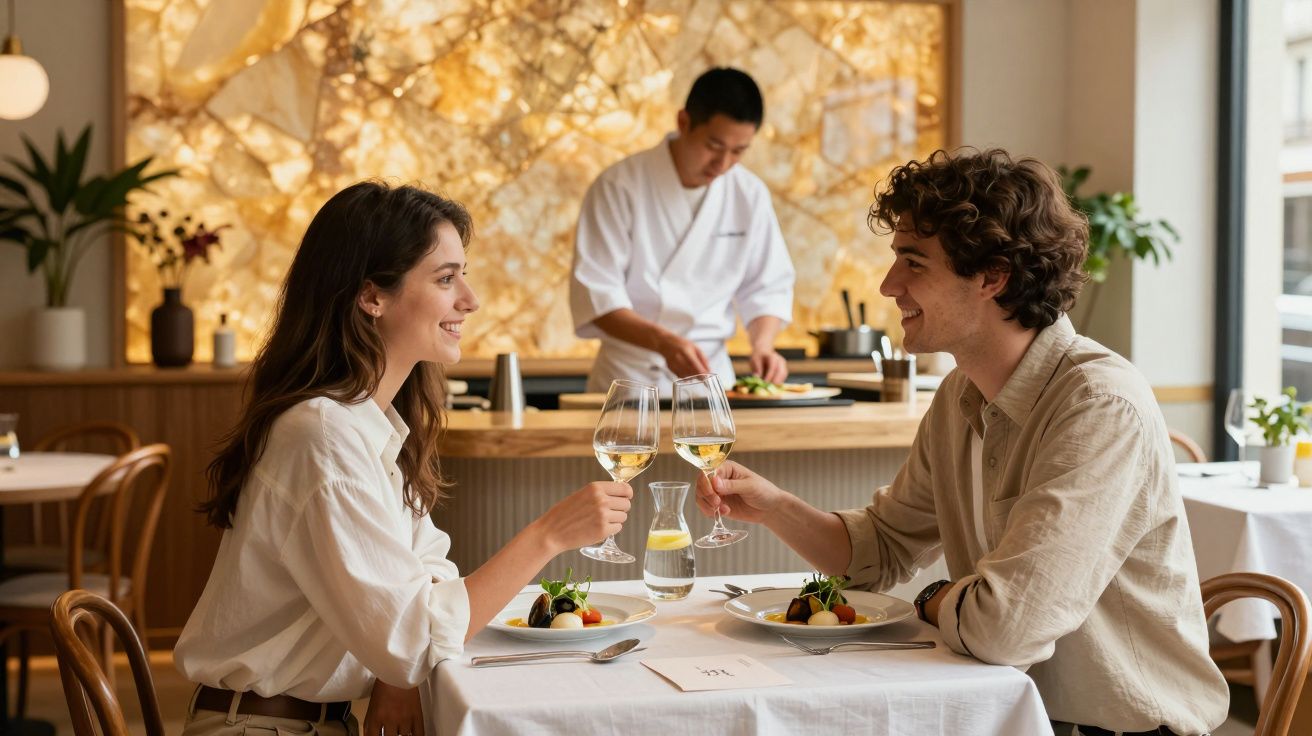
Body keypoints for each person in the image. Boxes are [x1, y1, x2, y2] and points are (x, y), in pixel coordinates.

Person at [694, 149, 1229, 735]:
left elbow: (1007, 628)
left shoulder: (1098, 406)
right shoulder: (959, 393)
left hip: (1127, 730)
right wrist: (775, 507)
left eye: (913, 263)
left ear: (992, 277)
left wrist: (934, 598)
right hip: (1008, 709)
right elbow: (878, 552)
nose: (888, 284)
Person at [175, 181, 633, 736]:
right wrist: (548, 536)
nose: (470, 298)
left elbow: (426, 573)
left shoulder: (366, 426)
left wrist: (398, 679)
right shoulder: (322, 435)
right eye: (446, 278)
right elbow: (415, 640)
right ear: (373, 297)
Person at [570, 67, 796, 394]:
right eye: (714, 145)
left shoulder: (749, 194)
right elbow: (597, 295)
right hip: (629, 381)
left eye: (738, 151)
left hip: (710, 382)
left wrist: (763, 345)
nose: (723, 164)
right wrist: (664, 342)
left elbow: (767, 287)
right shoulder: (619, 186)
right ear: (684, 122)